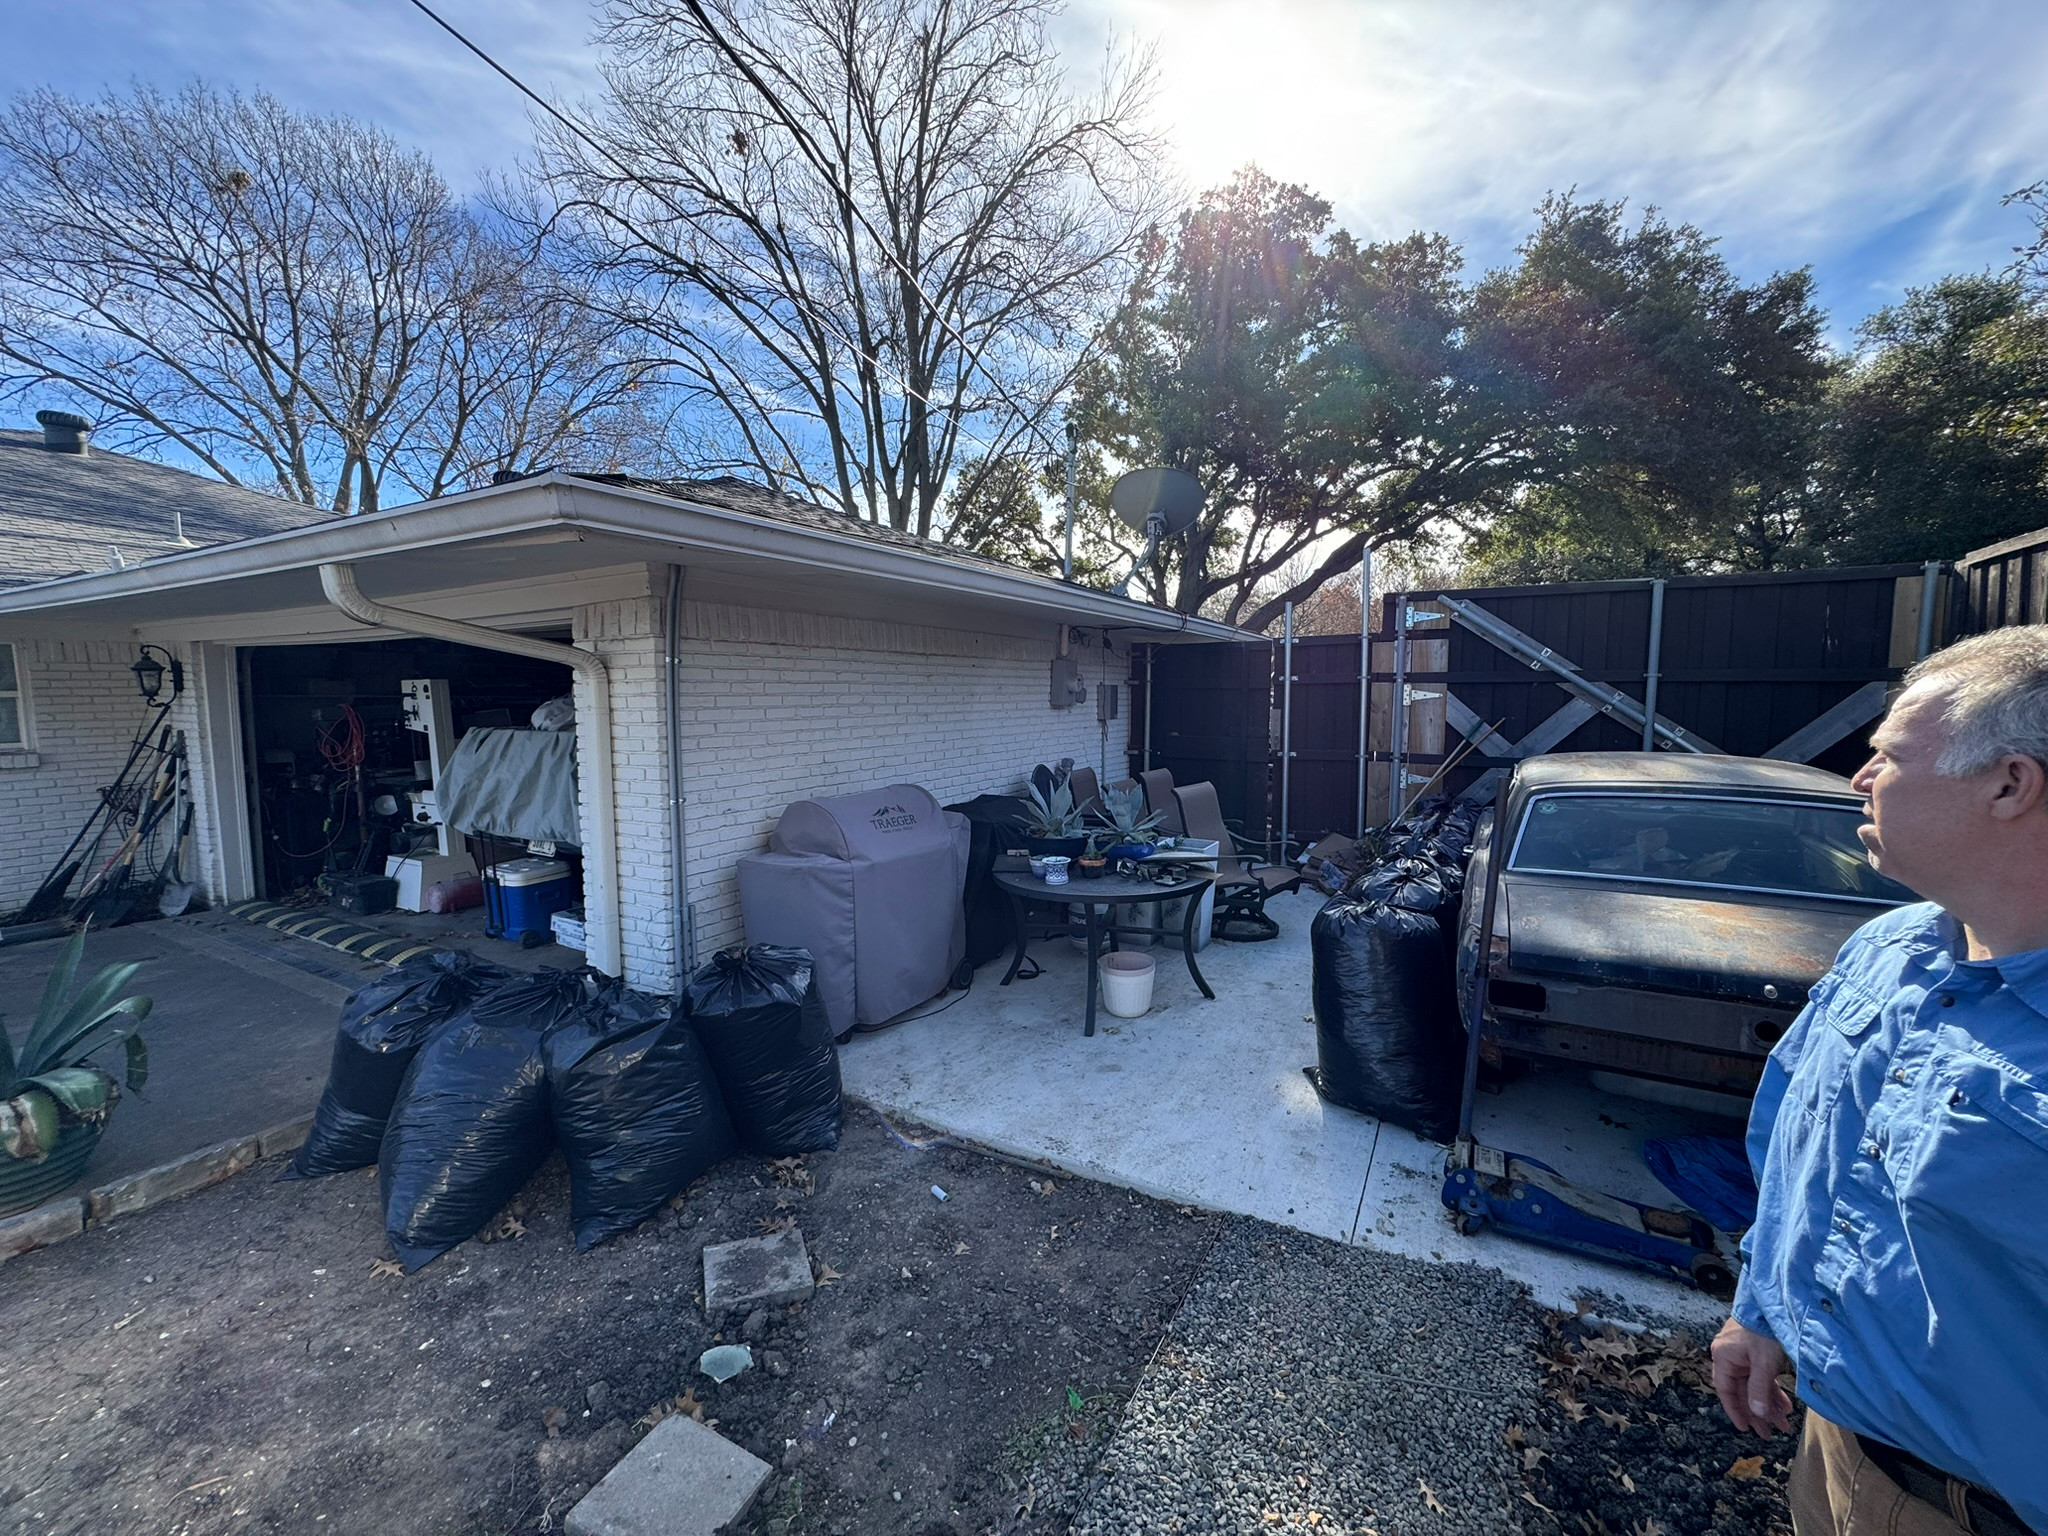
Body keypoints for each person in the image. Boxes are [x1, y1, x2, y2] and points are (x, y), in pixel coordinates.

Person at [1712, 627, 2048, 1536]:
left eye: (1887, 756)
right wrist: (1760, 1309)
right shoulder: (1887, 951)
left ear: (2010, 785)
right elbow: (1796, 1141)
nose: (1861, 778)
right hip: (1835, 1445)